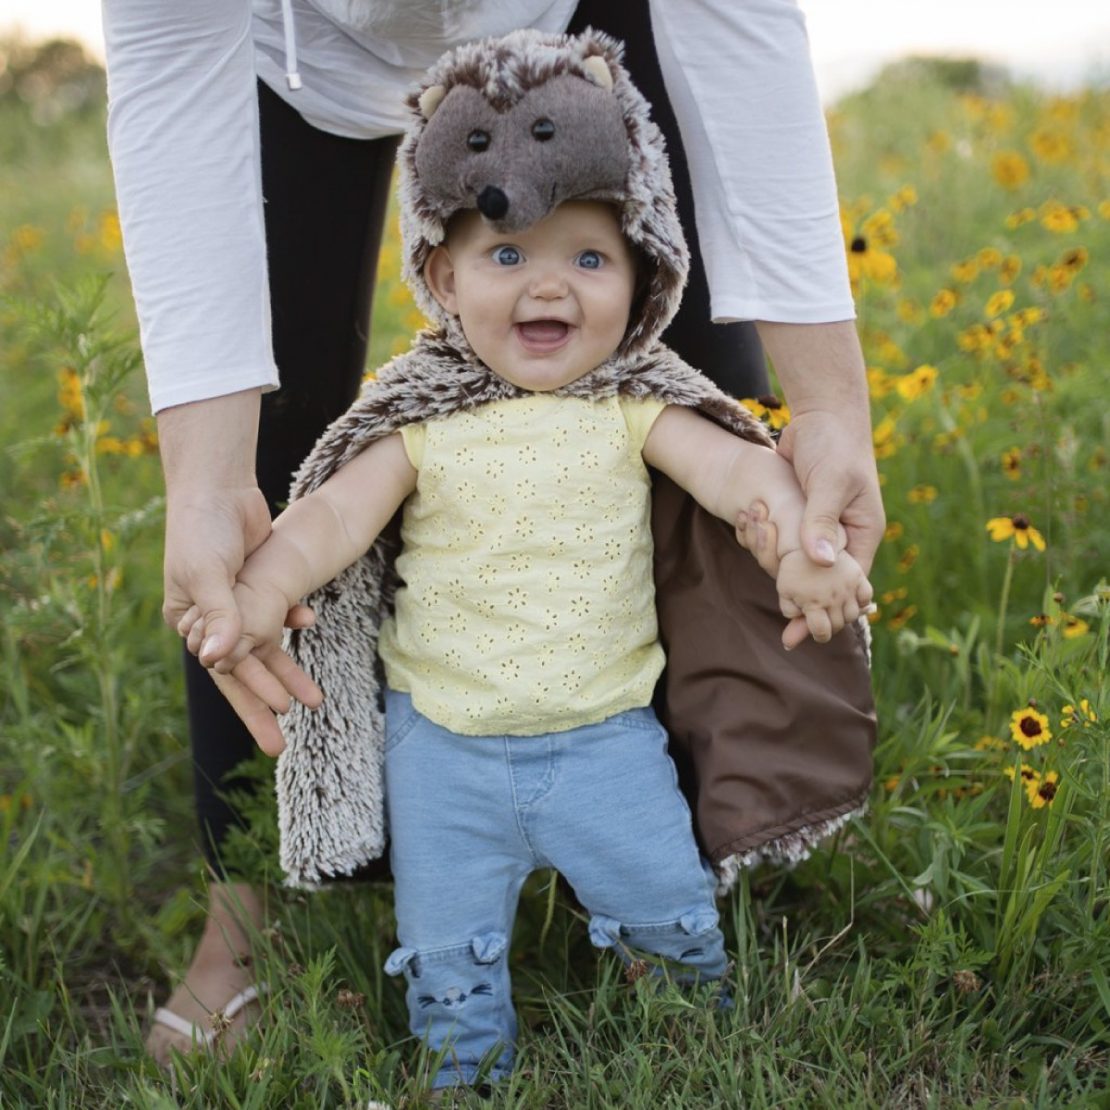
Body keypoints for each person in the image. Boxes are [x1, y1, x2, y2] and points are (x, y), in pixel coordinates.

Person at [100, 0, 882, 1062]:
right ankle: (243, 923)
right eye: (506, 259)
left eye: (589, 266)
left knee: (707, 389)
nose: (549, 284)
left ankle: (698, 861)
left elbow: (737, 470)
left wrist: (815, 466)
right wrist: (214, 505)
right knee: (257, 484)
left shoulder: (629, 391)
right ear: (444, 282)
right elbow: (322, 517)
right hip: (282, 52)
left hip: (581, 35)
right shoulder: (419, 425)